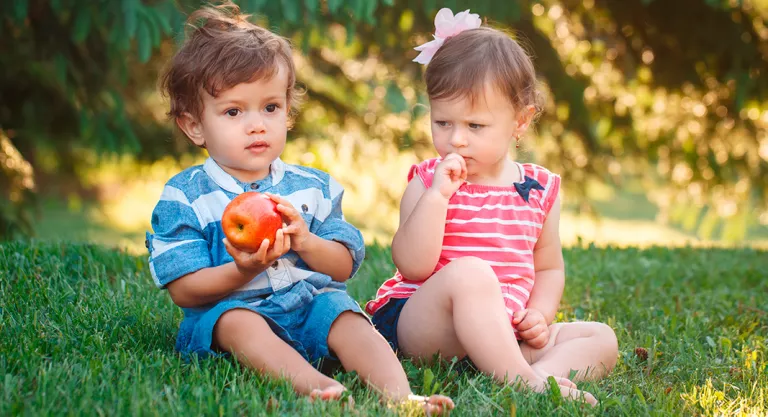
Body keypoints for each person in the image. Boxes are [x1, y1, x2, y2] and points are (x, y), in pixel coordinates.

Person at [146, 2, 453, 412]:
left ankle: (401, 396)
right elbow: (183, 289)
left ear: (288, 111)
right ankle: (316, 386)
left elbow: (343, 266)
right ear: (194, 125)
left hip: (308, 305)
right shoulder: (185, 196)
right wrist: (244, 270)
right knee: (236, 322)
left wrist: (306, 242)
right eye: (234, 111)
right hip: (234, 311)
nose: (257, 124)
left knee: (344, 313)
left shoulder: (314, 187)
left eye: (270, 107)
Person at [366, 8, 618, 406]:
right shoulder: (427, 179)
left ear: (520, 121)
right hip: (426, 327)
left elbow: (548, 267)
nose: (456, 141)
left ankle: (535, 376)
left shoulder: (539, 189)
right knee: (471, 273)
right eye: (443, 123)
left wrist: (538, 314)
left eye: (474, 126)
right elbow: (412, 265)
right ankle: (524, 381)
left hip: (505, 331)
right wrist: (437, 198)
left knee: (600, 337)